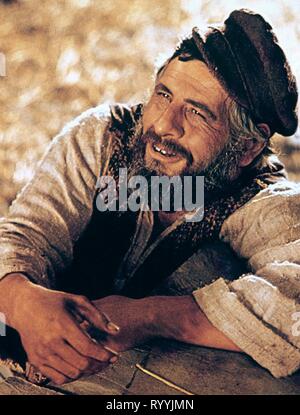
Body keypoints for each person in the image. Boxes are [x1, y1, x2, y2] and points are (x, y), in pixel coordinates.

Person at [0, 9, 299, 386]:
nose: (163, 125)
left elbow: (294, 297)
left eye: (196, 113)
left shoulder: (266, 201)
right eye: (164, 95)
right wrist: (19, 296)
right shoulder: (103, 139)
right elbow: (26, 233)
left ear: (246, 148)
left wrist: (153, 317)